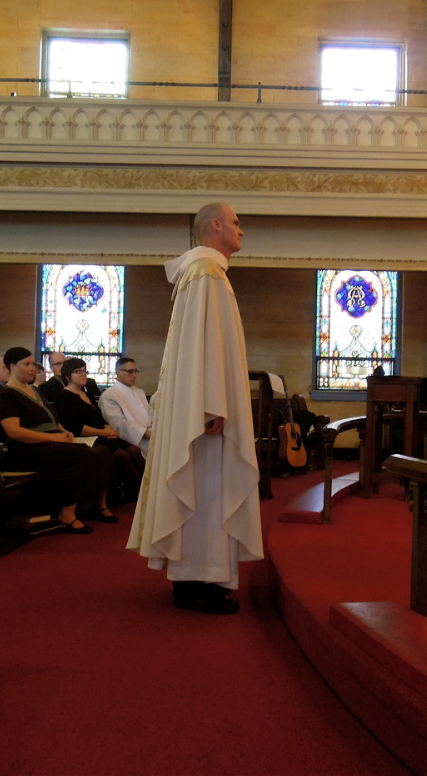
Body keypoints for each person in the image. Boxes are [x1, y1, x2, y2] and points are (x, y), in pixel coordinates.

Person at [127, 203, 263, 614]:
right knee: (203, 488)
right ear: (216, 226)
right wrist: (211, 406)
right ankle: (191, 583)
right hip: (204, 411)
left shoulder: (207, 272)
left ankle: (207, 574)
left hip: (203, 405)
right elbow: (203, 351)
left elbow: (205, 348)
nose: (242, 231)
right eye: (236, 223)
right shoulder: (205, 274)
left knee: (210, 491)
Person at [0, 346, 99, 534]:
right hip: (23, 449)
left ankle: (62, 506)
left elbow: (52, 419)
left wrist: (64, 432)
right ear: (11, 366)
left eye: (32, 364)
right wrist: (54, 437)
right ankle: (65, 512)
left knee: (92, 453)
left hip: (47, 444)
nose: (32, 368)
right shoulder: (7, 394)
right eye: (26, 364)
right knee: (82, 455)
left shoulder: (34, 390)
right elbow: (14, 432)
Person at [54, 357, 146, 518]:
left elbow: (97, 418)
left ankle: (146, 491)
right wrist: (103, 433)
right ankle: (103, 503)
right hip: (84, 439)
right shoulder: (64, 396)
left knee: (134, 449)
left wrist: (106, 427)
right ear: (68, 376)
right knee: (121, 456)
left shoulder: (85, 394)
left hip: (99, 435)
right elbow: (75, 427)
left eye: (84, 371)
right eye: (78, 372)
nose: (83, 375)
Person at [99, 357, 153, 457]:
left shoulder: (139, 392)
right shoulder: (109, 395)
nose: (134, 375)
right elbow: (119, 425)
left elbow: (151, 414)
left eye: (135, 371)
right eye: (130, 371)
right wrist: (145, 433)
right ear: (118, 372)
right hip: (135, 439)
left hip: (151, 434)